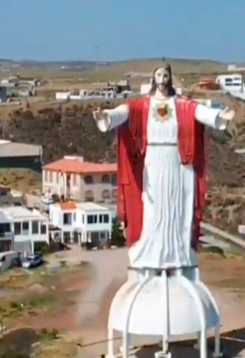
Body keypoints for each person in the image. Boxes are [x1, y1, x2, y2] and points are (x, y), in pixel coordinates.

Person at [93, 63, 234, 272]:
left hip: (177, 162)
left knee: (176, 207)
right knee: (152, 209)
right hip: (153, 162)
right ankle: (150, 253)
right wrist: (107, 116)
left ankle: (177, 252)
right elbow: (123, 112)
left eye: (165, 74)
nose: (162, 77)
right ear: (153, 78)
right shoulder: (142, 105)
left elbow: (200, 112)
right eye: (158, 74)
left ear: (170, 78)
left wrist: (218, 117)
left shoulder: (182, 105)